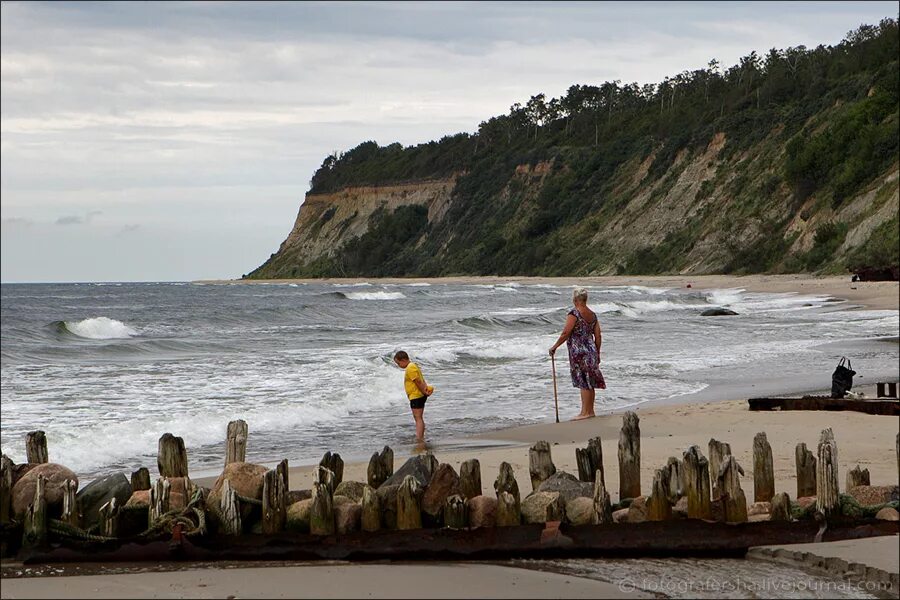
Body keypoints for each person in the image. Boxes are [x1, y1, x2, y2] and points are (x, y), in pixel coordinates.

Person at [548, 287, 606, 420]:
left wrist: (555, 346)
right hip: (591, 351)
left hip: (579, 352)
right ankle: (590, 411)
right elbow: (598, 336)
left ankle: (585, 413)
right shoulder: (592, 315)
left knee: (583, 381)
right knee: (589, 380)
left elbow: (566, 333)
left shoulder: (574, 314)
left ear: (575, 300)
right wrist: (597, 353)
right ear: (585, 299)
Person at [393, 350, 433, 441]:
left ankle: (419, 438)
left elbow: (418, 381)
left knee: (418, 418)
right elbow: (421, 380)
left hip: (416, 396)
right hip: (418, 395)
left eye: (398, 363)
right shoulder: (413, 366)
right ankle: (420, 437)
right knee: (419, 417)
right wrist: (425, 390)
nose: (398, 365)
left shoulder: (410, 368)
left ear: (403, 360)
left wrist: (424, 391)